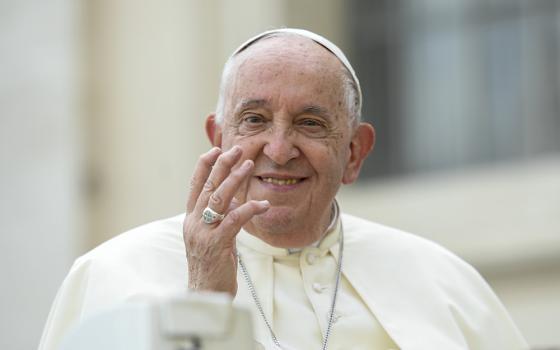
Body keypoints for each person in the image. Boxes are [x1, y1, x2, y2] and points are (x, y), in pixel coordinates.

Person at [39, 28, 528, 350]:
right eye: (253, 119)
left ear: (355, 152)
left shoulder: (446, 284)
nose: (278, 148)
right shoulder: (112, 274)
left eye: (310, 123)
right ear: (217, 138)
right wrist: (202, 299)